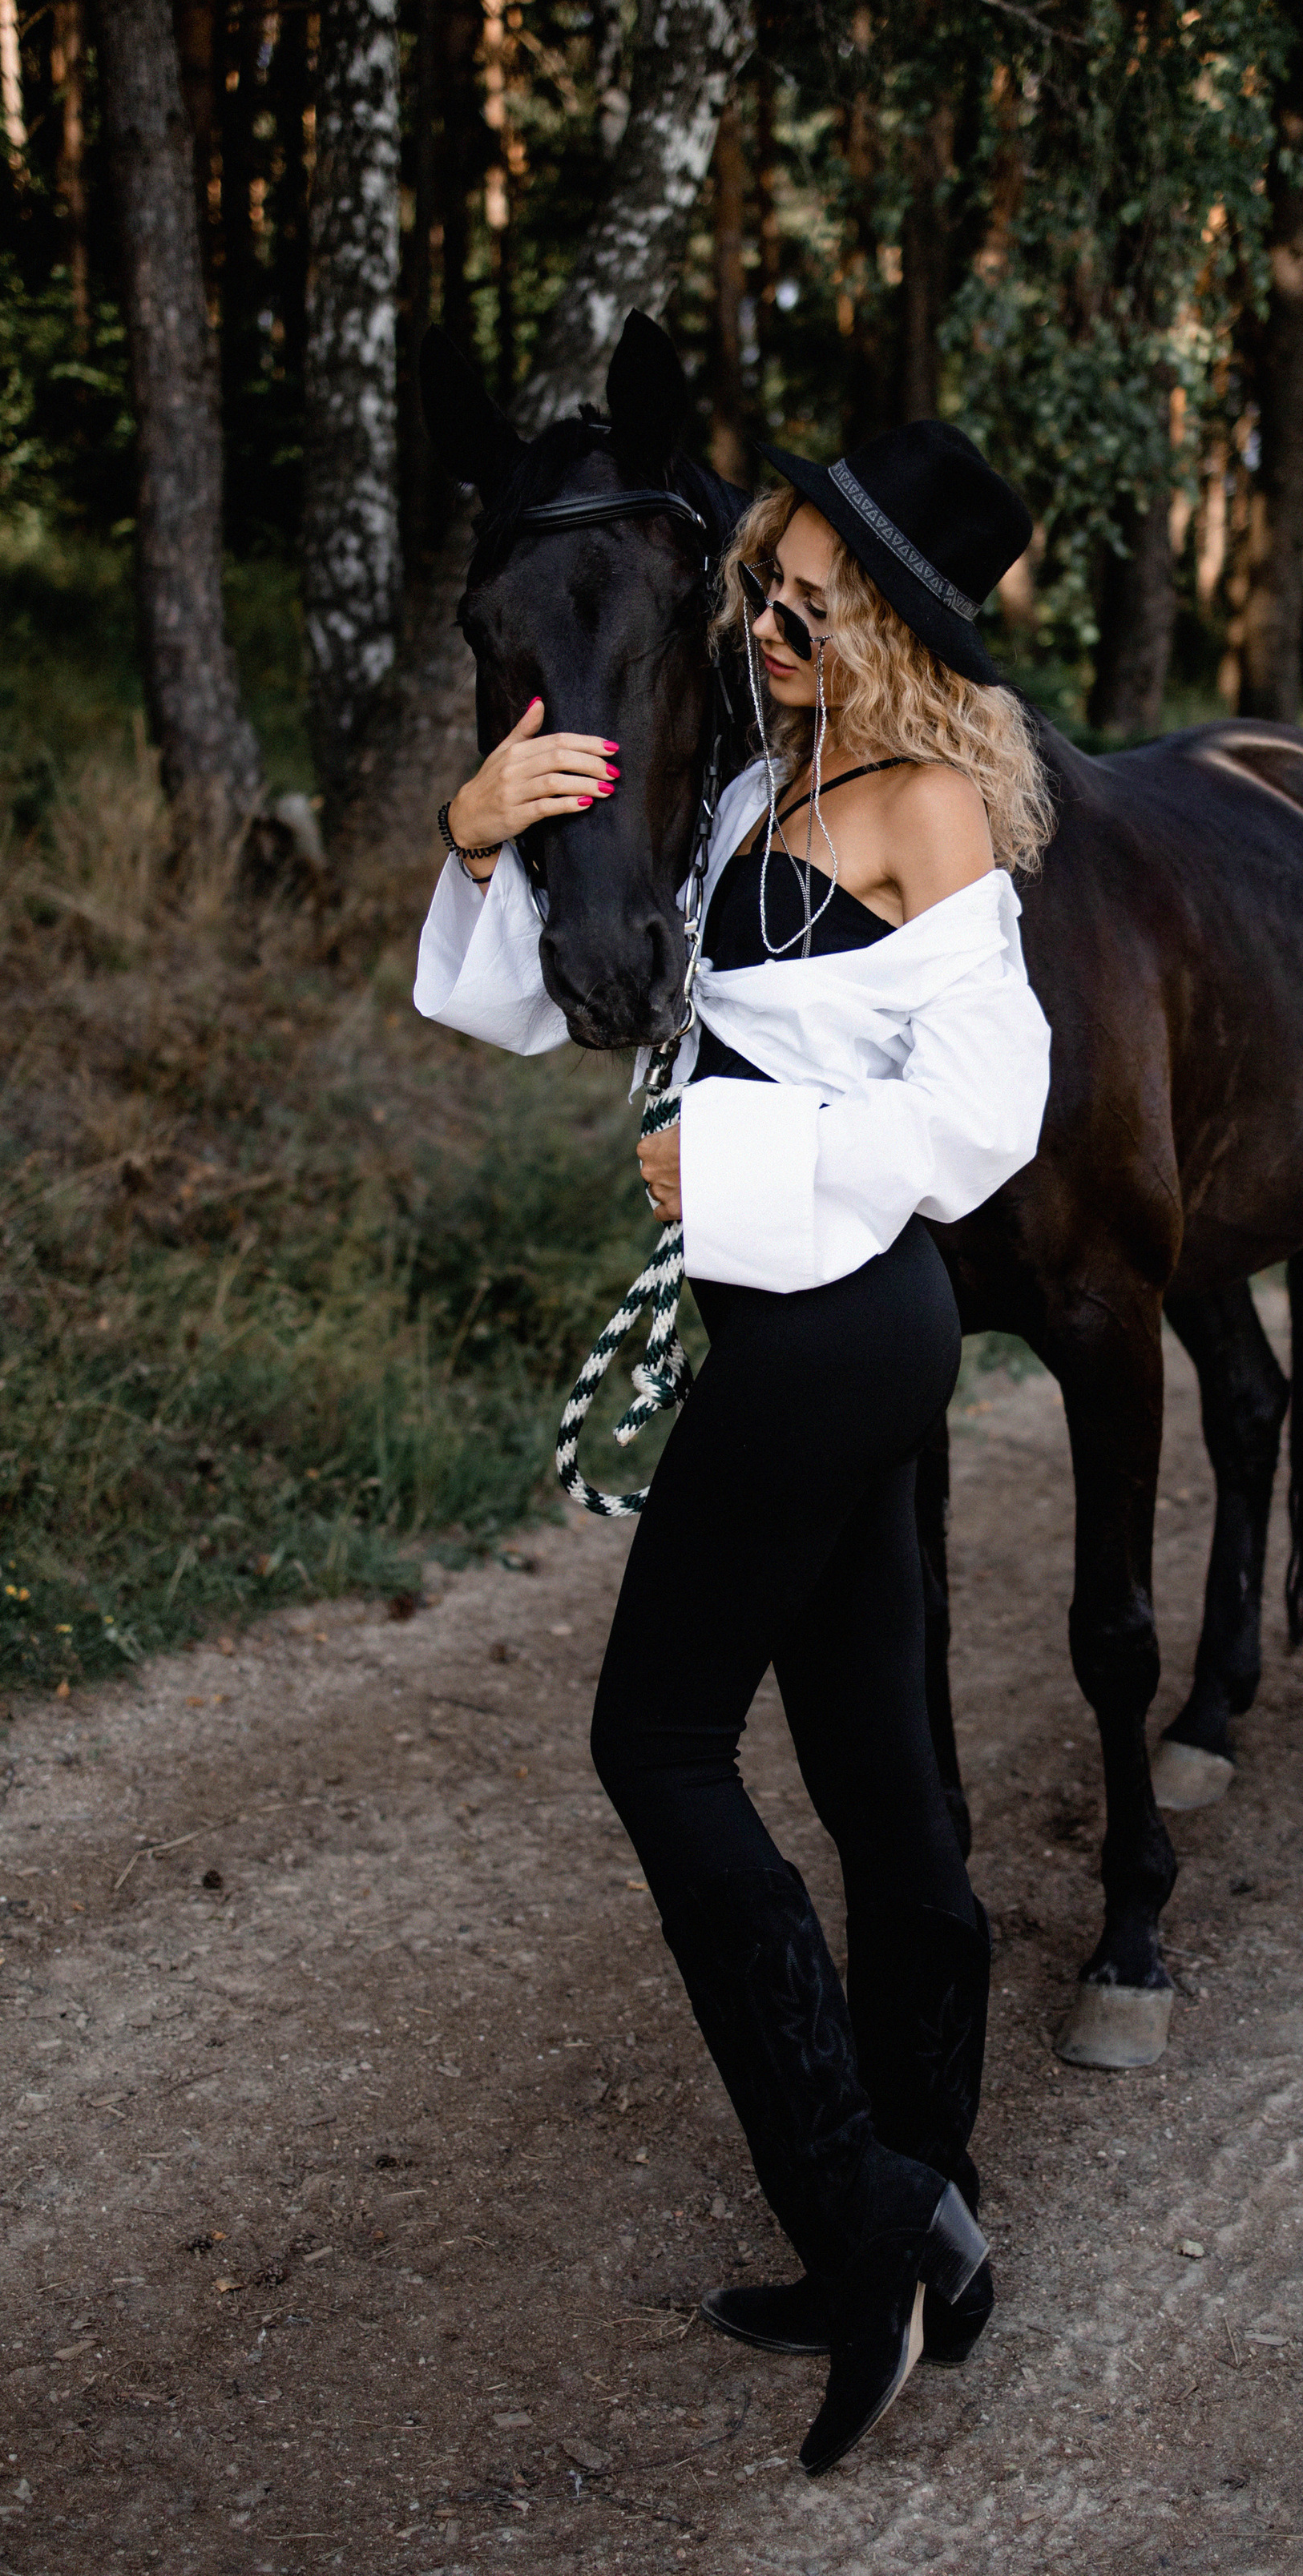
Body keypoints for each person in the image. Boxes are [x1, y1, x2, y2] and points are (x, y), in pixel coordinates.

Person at [413, 421, 1054, 2476]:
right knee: (878, 1777)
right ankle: (924, 2208)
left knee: (653, 1743)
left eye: (809, 602)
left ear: (896, 628)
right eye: (759, 587)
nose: (766, 624)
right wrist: (477, 826)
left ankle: (856, 2216)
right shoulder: (759, 787)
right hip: (784, 1323)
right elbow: (552, 1008)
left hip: (841, 1321)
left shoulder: (923, 807)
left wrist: (744, 1158)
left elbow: (989, 1114)